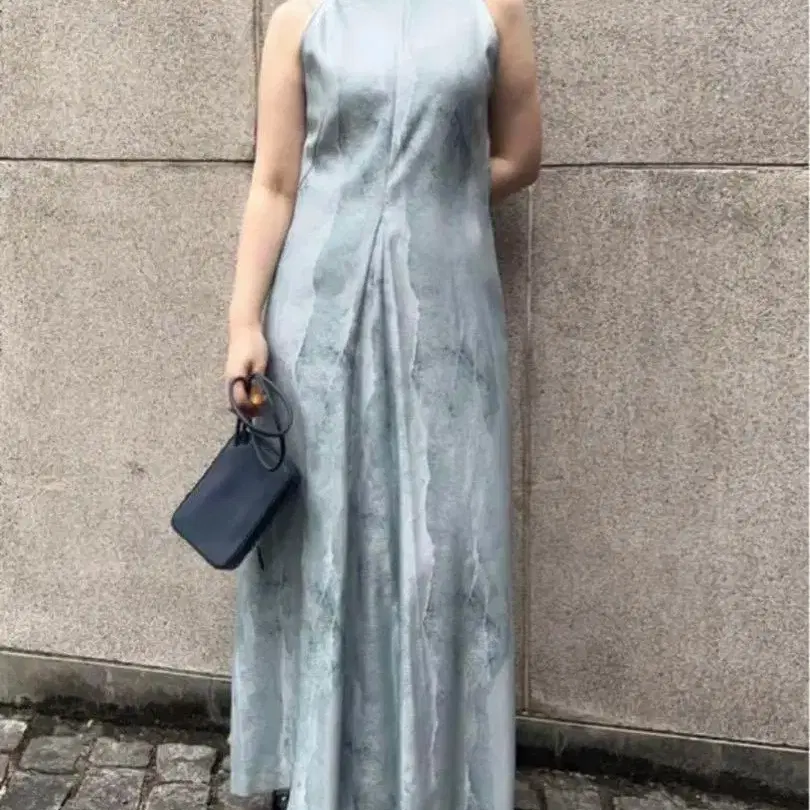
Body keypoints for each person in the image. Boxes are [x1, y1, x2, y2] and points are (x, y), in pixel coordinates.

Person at [224, 0, 541, 803]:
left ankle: (436, 777)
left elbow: (521, 156)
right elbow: (274, 182)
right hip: (320, 319)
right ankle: (319, 775)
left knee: (446, 544)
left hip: (448, 317)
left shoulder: (493, 11)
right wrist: (243, 322)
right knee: (327, 539)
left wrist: (428, 199)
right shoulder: (302, 17)